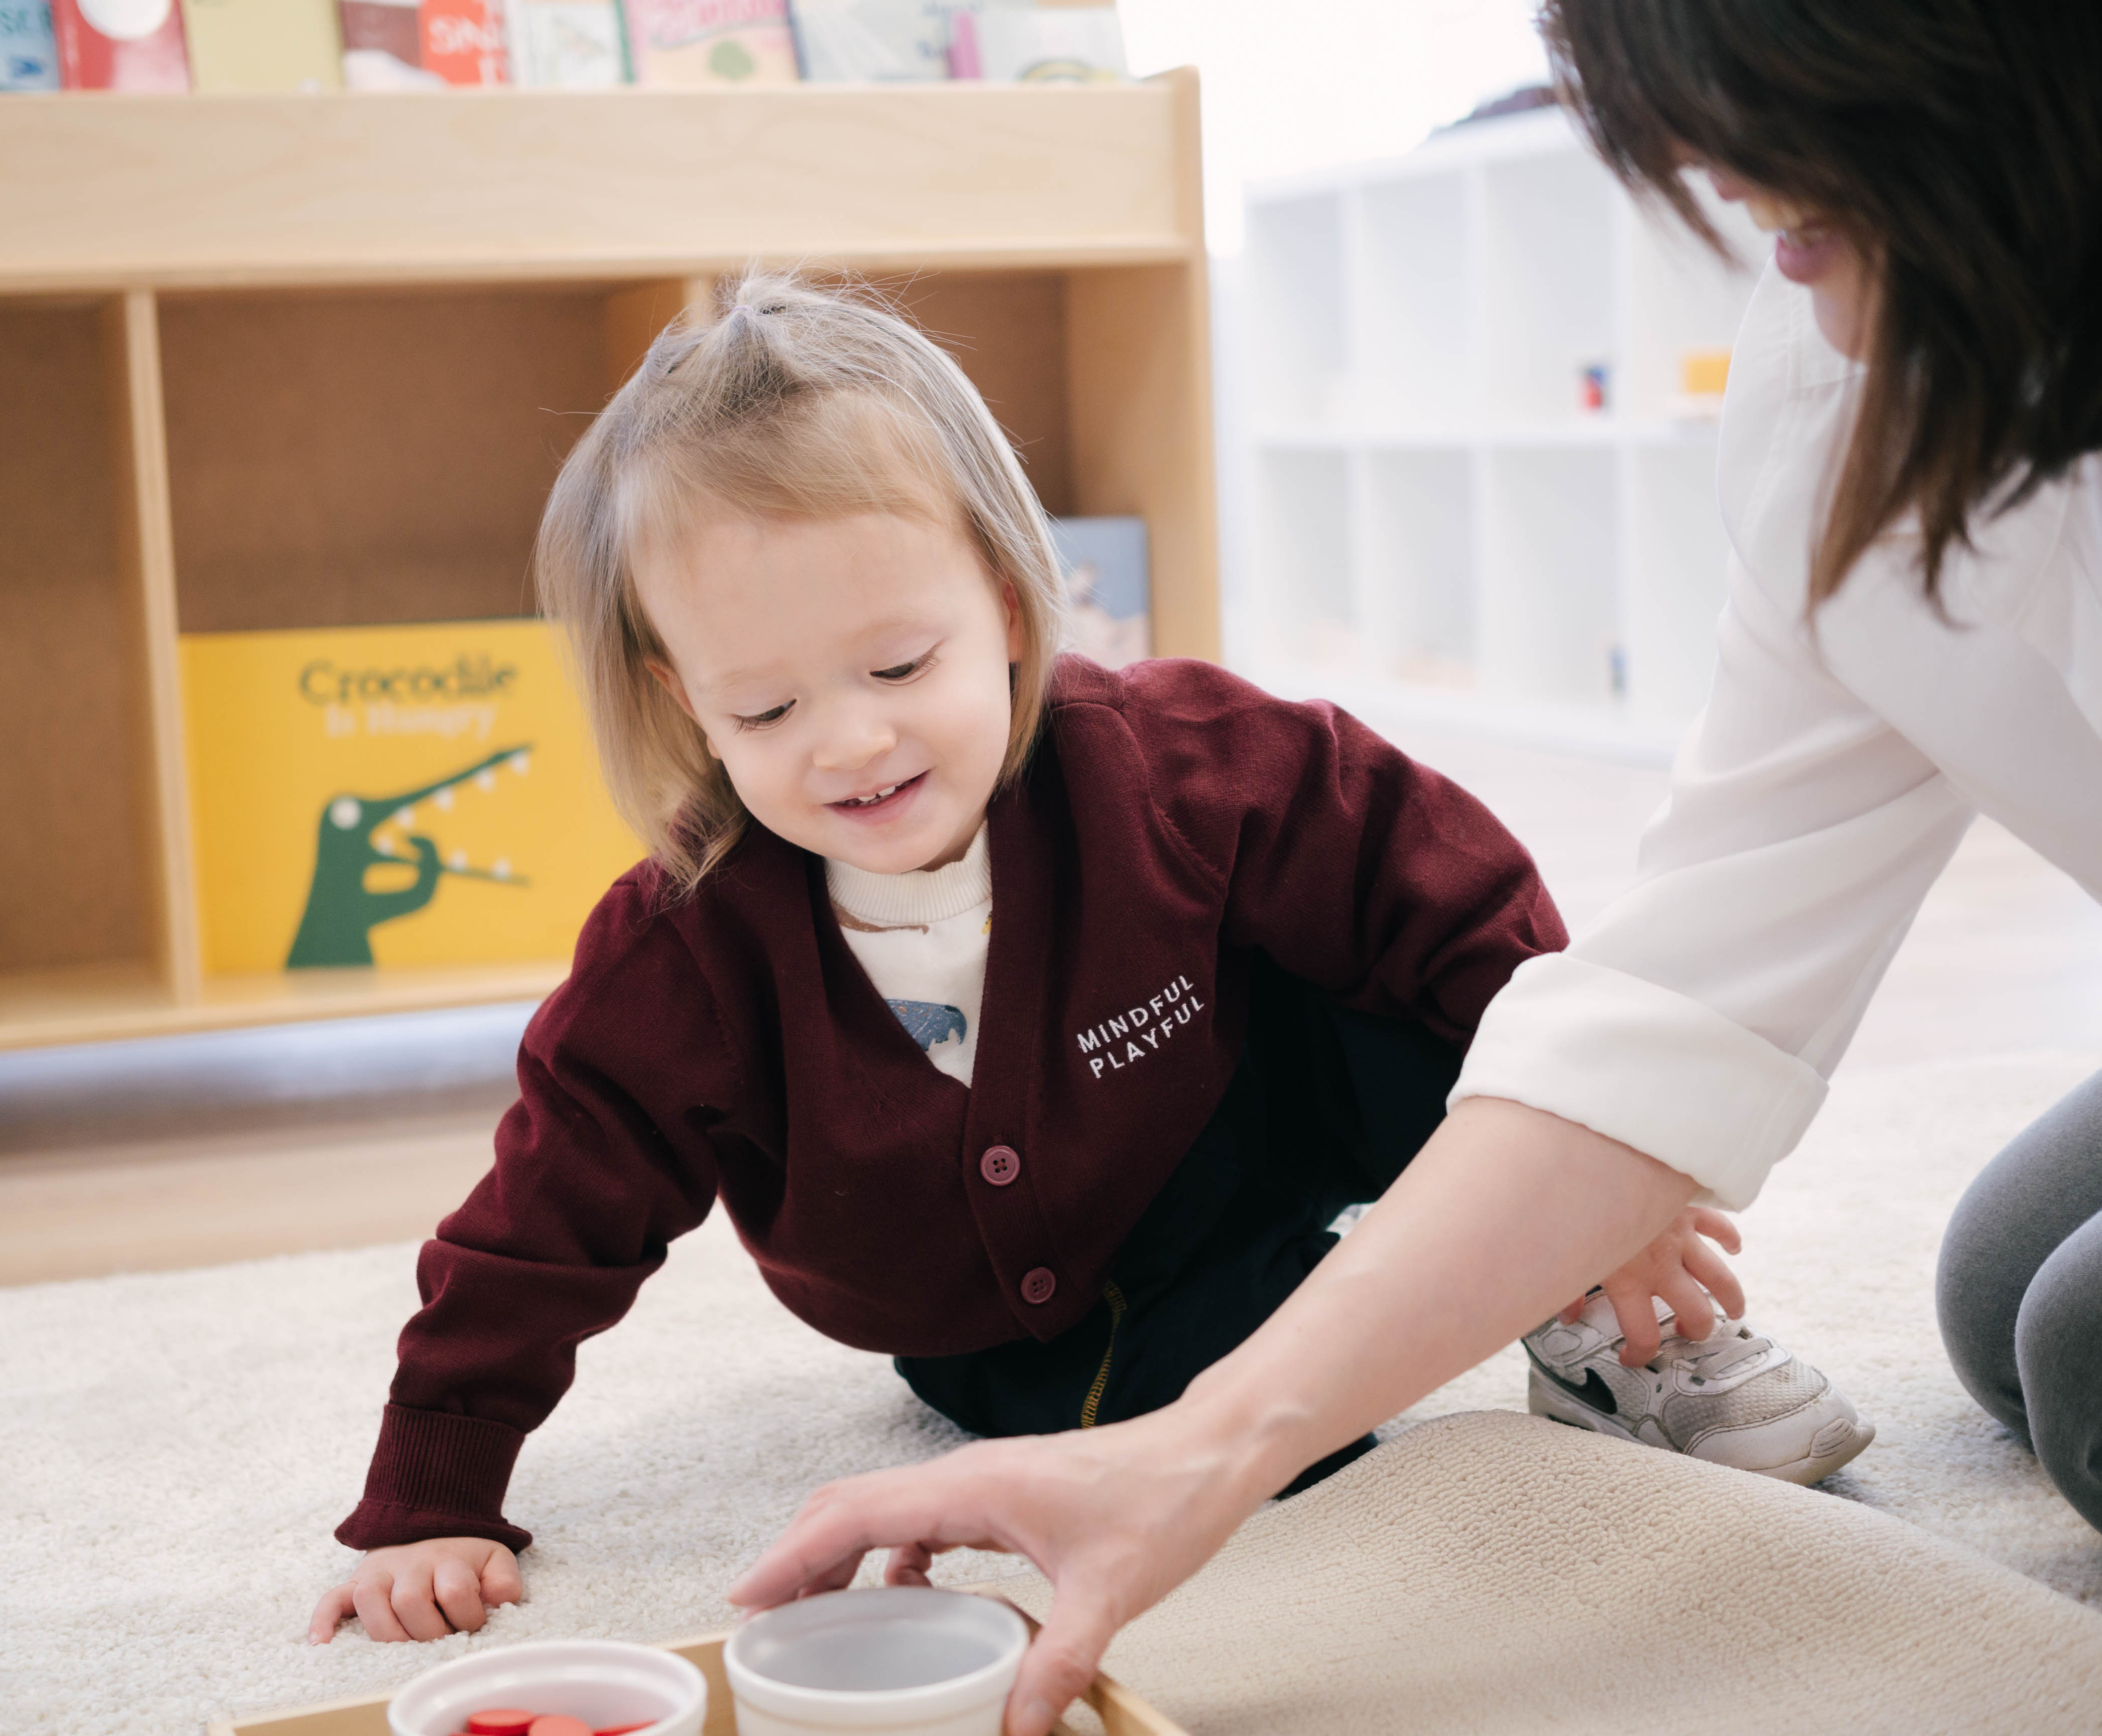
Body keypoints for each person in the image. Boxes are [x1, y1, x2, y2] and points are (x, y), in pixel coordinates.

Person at [728, 6, 2102, 1733]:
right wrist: (1193, 1457)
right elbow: (1681, 997)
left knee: (2084, 1358)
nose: (1695, 164)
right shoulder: (1846, 364)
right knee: (2003, 1298)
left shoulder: (1207, 768)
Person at [303, 272, 1849, 1647]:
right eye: (764, 712)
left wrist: (1607, 1181)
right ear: (681, 695)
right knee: (1258, 1463)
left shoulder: (1186, 764)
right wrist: (431, 1497)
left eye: (900, 666)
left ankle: (1588, 1309)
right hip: (995, 1336)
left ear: (1002, 592)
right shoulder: (681, 952)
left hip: (1246, 1146)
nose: (850, 741)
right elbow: (536, 1231)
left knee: (1448, 1004)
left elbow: (1454, 899)